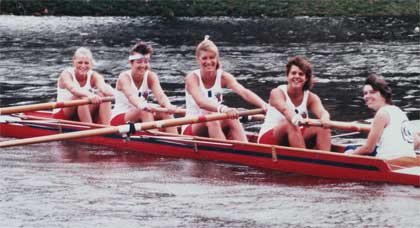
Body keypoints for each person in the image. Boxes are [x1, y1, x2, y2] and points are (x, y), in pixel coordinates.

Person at [183, 36, 267, 141]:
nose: (208, 62)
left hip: (216, 121)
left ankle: (246, 148)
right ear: (198, 59)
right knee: (212, 116)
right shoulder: (192, 78)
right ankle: (223, 153)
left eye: (212, 57)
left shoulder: (224, 76)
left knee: (232, 117)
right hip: (192, 126)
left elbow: (243, 92)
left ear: (217, 58)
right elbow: (201, 102)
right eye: (204, 58)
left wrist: (264, 105)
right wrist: (224, 109)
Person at [258, 56, 331, 150]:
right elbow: (285, 110)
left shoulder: (311, 97)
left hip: (293, 135)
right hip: (268, 139)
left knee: (322, 127)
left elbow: (322, 112)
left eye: (301, 74)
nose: (297, 76)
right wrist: (297, 119)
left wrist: (325, 119)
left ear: (306, 79)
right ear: (287, 76)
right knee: (290, 122)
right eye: (293, 73)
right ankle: (304, 161)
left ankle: (325, 160)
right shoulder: (277, 92)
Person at [110, 41, 178, 134]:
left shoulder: (151, 76)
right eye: (139, 62)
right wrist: (141, 105)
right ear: (131, 62)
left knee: (166, 111)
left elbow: (161, 96)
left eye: (146, 62)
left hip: (142, 113)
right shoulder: (124, 77)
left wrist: (168, 105)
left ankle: (174, 140)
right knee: (144, 111)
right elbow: (131, 96)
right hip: (120, 119)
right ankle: (154, 141)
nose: (143, 66)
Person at [344, 74, 415, 159]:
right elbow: (417, 140)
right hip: (409, 160)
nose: (367, 96)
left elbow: (368, 149)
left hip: (388, 163)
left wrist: (348, 155)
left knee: (349, 149)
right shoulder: (398, 111)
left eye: (372, 92)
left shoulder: (382, 113)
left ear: (383, 94)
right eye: (365, 93)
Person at [53, 47, 113, 124]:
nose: (83, 66)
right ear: (74, 62)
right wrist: (90, 95)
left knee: (104, 95)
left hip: (80, 113)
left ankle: (106, 128)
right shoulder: (66, 74)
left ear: (91, 64)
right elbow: (73, 89)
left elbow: (104, 88)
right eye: (80, 63)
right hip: (62, 115)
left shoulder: (95, 76)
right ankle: (90, 130)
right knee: (82, 97)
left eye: (86, 63)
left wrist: (119, 94)